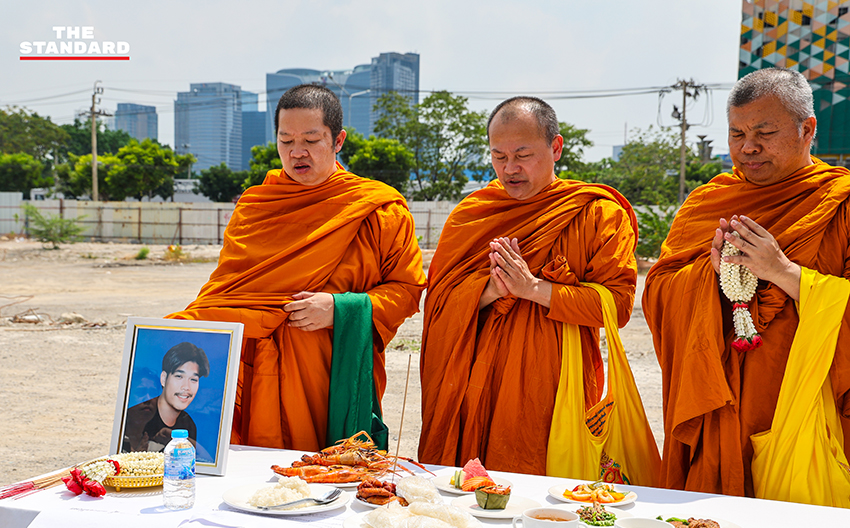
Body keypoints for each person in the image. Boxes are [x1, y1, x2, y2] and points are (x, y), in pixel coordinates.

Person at [169, 84, 426, 452]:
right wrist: (175, 332)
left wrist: (340, 309)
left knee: (330, 477)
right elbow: (226, 293)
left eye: (311, 139)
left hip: (330, 373)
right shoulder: (257, 207)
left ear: (338, 141)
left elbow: (406, 290)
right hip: (260, 372)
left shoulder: (379, 209)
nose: (297, 152)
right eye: (285, 140)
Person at [642, 67, 850, 497]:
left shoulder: (839, 202)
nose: (748, 147)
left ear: (806, 129)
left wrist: (782, 272)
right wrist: (708, 276)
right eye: (736, 134)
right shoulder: (707, 203)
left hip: (806, 400)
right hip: (718, 400)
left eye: (764, 132)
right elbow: (658, 291)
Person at [418, 96, 638, 475]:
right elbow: (437, 304)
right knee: (470, 492)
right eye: (498, 156)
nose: (510, 168)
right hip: (476, 381)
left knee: (545, 495)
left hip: (553, 385)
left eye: (522, 154)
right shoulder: (473, 216)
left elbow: (617, 307)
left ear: (555, 147)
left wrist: (534, 289)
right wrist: (491, 290)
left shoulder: (595, 212)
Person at [123, 341, 209, 452]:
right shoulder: (141, 415)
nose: (186, 387)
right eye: (179, 376)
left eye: (193, 379)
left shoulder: (188, 422)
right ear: (163, 378)